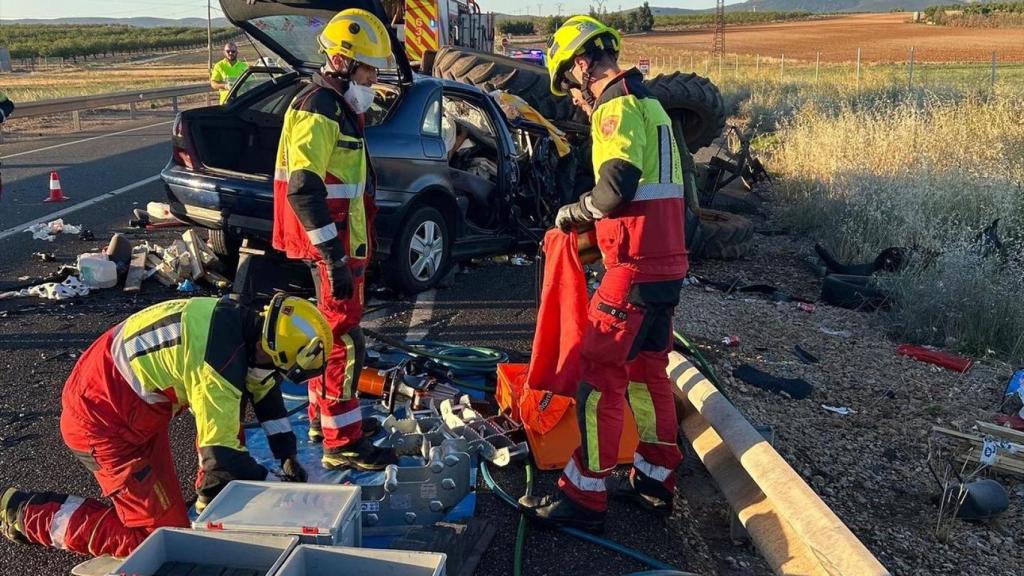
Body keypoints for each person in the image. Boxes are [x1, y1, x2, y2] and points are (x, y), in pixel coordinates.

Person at [520, 15, 689, 532]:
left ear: (581, 64)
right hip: (667, 267)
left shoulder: (614, 109)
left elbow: (616, 188)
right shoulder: (654, 106)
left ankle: (586, 494)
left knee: (599, 380)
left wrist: (577, 212)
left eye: (571, 83)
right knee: (649, 374)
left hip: (633, 270)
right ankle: (657, 480)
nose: (575, 96)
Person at [0, 294, 331, 558]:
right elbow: (224, 456)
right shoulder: (218, 368)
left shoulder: (243, 326)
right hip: (101, 421)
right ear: (268, 348)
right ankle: (27, 514)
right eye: (278, 366)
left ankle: (209, 495)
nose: (274, 375)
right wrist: (279, 489)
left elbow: (263, 389)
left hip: (130, 405)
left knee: (224, 433)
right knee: (159, 540)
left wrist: (287, 453)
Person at [271, 8, 394, 471]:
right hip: (332, 248)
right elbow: (305, 188)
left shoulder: (336, 106)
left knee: (329, 334)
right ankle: (341, 440)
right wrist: (334, 258)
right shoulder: (319, 108)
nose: (374, 79)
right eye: (369, 69)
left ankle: (322, 420)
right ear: (342, 62)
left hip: (340, 245)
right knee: (343, 342)